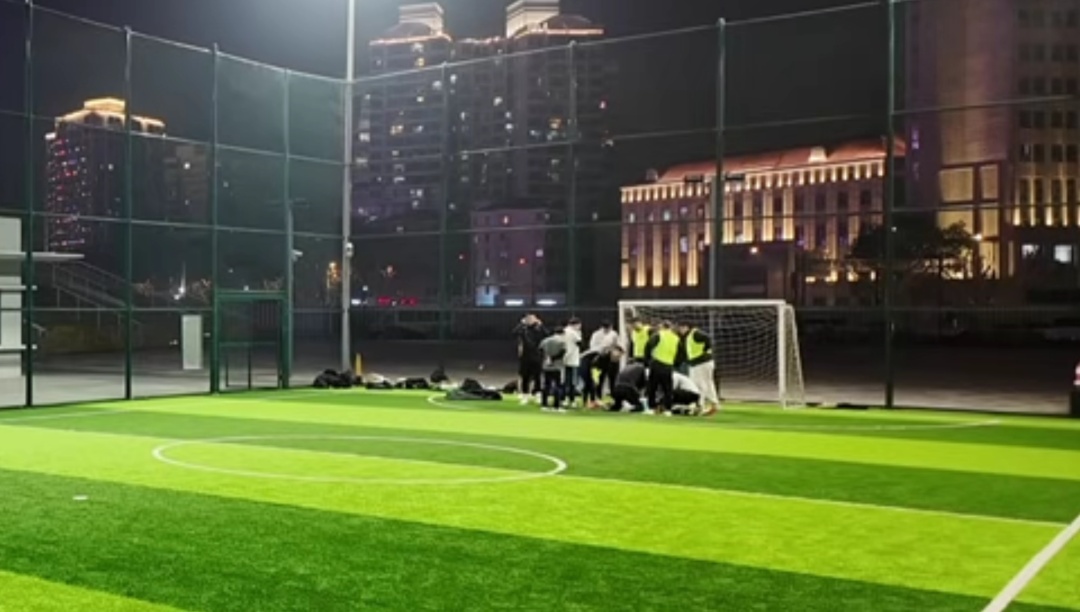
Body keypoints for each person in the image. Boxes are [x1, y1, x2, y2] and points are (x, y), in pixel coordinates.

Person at [677, 321, 720, 416]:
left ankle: (699, 405)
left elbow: (707, 338)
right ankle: (714, 404)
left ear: (687, 327)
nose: (680, 330)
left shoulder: (695, 333)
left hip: (701, 363)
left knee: (698, 385)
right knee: (707, 383)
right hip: (701, 363)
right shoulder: (689, 336)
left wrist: (705, 351)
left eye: (681, 328)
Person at [644, 320, 680, 416]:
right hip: (669, 365)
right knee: (668, 388)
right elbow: (680, 352)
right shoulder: (676, 338)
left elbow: (648, 346)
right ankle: (668, 409)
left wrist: (647, 360)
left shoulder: (659, 335)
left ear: (662, 326)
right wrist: (676, 363)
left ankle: (652, 408)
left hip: (657, 363)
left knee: (652, 387)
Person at [512, 314, 548, 404]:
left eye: (532, 319)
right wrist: (521, 323)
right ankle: (525, 395)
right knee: (525, 377)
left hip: (537, 356)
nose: (530, 321)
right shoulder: (524, 330)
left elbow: (547, 334)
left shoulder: (538, 329)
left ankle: (538, 394)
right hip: (525, 356)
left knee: (537, 377)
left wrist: (541, 325)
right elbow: (514, 333)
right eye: (528, 319)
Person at [580, 344, 623, 409]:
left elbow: (605, 378)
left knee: (593, 383)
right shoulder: (603, 355)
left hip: (591, 364)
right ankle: (589, 402)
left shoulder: (611, 362)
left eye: (619, 357)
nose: (618, 358)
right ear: (613, 351)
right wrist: (595, 379)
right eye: (617, 356)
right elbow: (593, 366)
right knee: (589, 383)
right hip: (584, 361)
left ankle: (593, 401)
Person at [538, 327, 568, 411]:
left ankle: (544, 405)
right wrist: (552, 359)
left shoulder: (545, 341)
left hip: (546, 366)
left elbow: (540, 350)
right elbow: (562, 353)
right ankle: (556, 406)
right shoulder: (561, 342)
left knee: (546, 385)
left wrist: (546, 358)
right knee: (558, 386)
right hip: (557, 367)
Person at [589, 320, 620, 396]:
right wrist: (601, 350)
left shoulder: (614, 334)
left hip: (611, 357)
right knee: (601, 376)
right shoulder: (596, 335)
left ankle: (613, 393)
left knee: (612, 376)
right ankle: (598, 393)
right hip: (600, 357)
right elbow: (592, 346)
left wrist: (615, 351)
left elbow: (617, 344)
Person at [562, 318, 583, 408]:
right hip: (572, 359)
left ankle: (563, 399)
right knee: (572, 382)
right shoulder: (574, 333)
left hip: (563, 359)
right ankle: (572, 400)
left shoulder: (564, 331)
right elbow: (580, 342)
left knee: (564, 381)